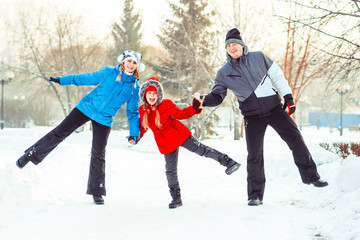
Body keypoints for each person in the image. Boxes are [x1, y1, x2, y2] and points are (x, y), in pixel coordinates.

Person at [197, 28, 328, 206]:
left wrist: (288, 96)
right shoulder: (224, 73)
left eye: (235, 43)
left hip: (274, 108)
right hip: (252, 116)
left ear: (242, 45)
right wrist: (203, 101)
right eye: (228, 45)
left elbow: (277, 75)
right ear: (226, 49)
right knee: (254, 155)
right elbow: (218, 96)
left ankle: (311, 177)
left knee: (296, 139)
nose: (232, 47)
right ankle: (255, 195)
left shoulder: (259, 57)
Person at [16, 50, 145, 205]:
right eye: (129, 61)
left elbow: (132, 112)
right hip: (86, 107)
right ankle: (30, 155)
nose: (131, 65)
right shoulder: (108, 72)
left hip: (105, 118)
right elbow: (85, 78)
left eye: (134, 63)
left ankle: (97, 191)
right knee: (59, 132)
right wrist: (63, 80)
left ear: (137, 66)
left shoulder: (134, 88)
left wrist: (134, 133)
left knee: (99, 153)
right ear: (123, 61)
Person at [138, 76, 241, 209]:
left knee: (202, 150)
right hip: (166, 144)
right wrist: (135, 136)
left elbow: (182, 114)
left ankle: (228, 162)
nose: (152, 96)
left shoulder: (166, 104)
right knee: (170, 171)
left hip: (179, 135)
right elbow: (142, 127)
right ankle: (176, 198)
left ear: (158, 95)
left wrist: (195, 106)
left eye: (154, 93)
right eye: (149, 93)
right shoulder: (142, 111)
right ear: (144, 95)